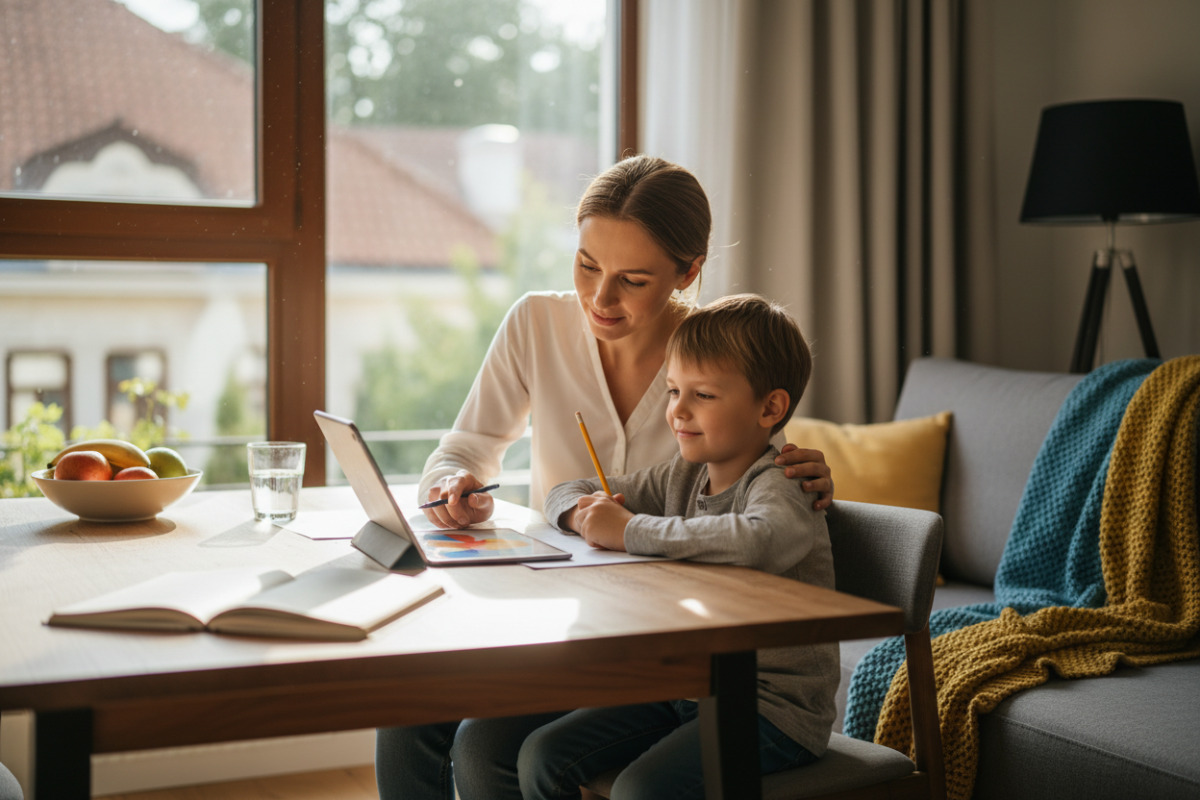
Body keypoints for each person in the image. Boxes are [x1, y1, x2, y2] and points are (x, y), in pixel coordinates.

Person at [375, 155, 836, 800]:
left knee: (487, 745)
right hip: (550, 615)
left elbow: (759, 497)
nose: (600, 297)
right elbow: (467, 448)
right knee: (407, 709)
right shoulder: (535, 323)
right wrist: (451, 487)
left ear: (688, 271)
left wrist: (813, 480)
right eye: (588, 265)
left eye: (633, 280)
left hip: (656, 643)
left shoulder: (719, 356)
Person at [519, 293, 838, 799]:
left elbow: (761, 539)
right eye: (672, 391)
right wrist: (583, 514)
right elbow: (566, 490)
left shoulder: (783, 483)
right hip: (689, 690)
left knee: (642, 790)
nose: (679, 412)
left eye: (703, 396)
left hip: (773, 711)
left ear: (770, 407)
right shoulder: (683, 474)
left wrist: (627, 530)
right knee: (542, 756)